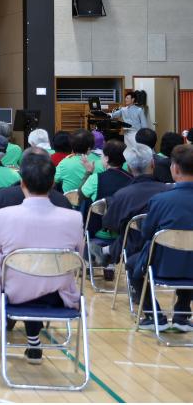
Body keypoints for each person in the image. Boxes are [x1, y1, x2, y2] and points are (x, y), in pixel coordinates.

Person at [0, 149, 84, 364]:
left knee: (24, 275)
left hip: (15, 294)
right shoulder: (74, 218)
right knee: (43, 275)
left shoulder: (3, 217)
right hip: (58, 296)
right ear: (52, 185)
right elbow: (78, 259)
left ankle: (25, 336)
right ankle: (33, 340)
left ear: (22, 184)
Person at [0, 148, 73, 318]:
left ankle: (1, 312)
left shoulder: (4, 198)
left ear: (22, 175)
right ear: (52, 179)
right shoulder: (64, 203)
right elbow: (76, 252)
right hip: (56, 285)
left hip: (14, 281)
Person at [129, 144, 193, 331]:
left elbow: (147, 233)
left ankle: (153, 314)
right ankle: (182, 313)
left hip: (162, 266)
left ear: (175, 168)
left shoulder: (160, 200)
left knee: (133, 264)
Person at [99, 143, 170, 284]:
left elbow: (110, 224)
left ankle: (109, 251)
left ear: (129, 168)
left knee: (128, 231)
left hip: (137, 251)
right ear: (153, 164)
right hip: (171, 250)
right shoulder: (169, 191)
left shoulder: (123, 195)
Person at [80, 139, 131, 203]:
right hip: (122, 212)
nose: (101, 157)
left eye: (102, 155)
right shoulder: (131, 178)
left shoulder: (96, 178)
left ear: (107, 158)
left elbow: (80, 196)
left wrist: (88, 172)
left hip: (100, 212)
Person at [54, 129, 101, 194]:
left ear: (71, 145)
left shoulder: (64, 163)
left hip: (70, 202)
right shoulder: (100, 161)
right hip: (93, 202)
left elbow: (52, 181)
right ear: (91, 146)